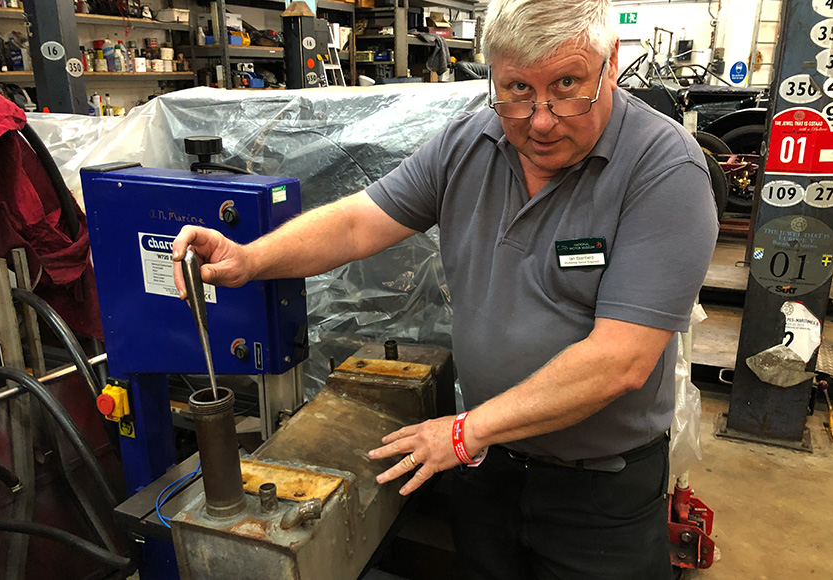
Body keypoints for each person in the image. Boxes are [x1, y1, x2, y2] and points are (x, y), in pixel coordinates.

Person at [172, 0, 719, 577]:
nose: (540, 120)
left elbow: (619, 360)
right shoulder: (470, 143)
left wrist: (463, 432)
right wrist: (250, 258)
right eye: (517, 89)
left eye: (566, 85)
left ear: (611, 64)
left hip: (598, 492)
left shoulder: (664, 170)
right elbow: (358, 222)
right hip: (487, 468)